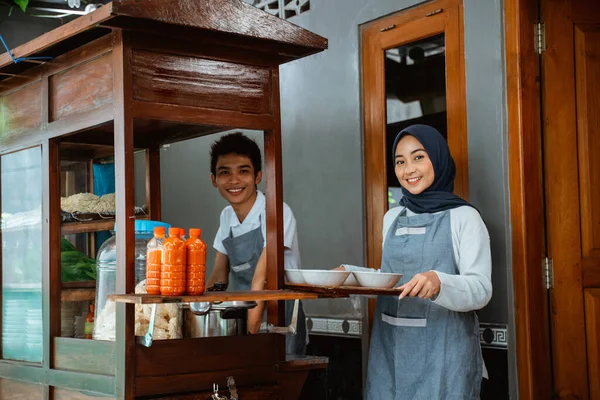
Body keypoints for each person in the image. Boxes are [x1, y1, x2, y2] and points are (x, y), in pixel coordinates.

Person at [341, 124, 492, 399]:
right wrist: (349, 275)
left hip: (445, 356)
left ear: (439, 158)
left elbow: (481, 289)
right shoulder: (392, 218)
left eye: (418, 157)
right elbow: (391, 277)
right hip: (390, 350)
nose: (408, 169)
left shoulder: (465, 217)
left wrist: (439, 282)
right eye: (400, 162)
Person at [206, 132, 307, 355]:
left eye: (243, 171)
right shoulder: (226, 217)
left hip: (278, 320)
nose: (234, 180)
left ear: (258, 176)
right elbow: (219, 278)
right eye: (225, 173)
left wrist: (249, 337)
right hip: (244, 316)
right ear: (214, 179)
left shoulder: (276, 212)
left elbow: (261, 279)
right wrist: (199, 312)